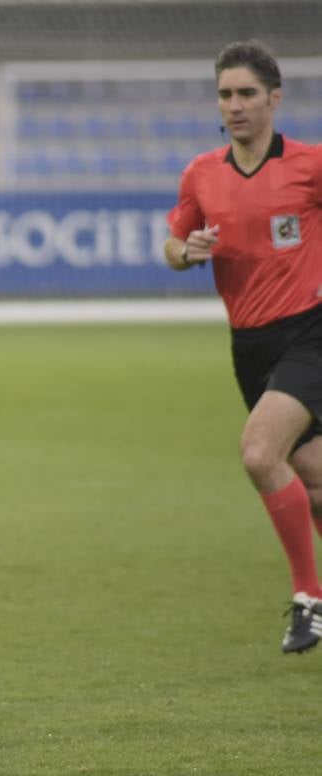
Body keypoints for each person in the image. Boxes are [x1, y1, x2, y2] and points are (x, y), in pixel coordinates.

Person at [165, 41, 322, 654]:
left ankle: (309, 599)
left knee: (260, 454)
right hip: (250, 347)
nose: (235, 105)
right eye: (226, 94)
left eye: (247, 93)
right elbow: (172, 246)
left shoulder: (309, 164)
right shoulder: (201, 174)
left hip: (310, 333)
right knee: (312, 480)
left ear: (274, 98)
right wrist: (187, 252)